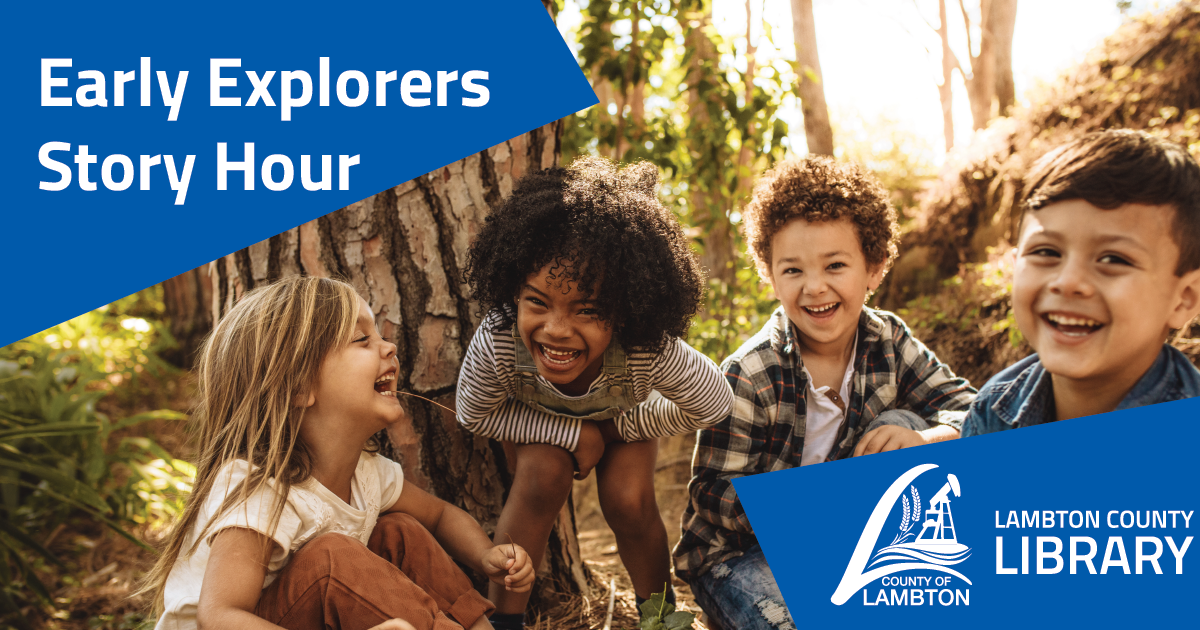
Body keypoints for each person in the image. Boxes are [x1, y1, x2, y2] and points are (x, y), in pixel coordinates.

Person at [673, 155, 976, 630]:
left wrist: (924, 439)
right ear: (770, 277)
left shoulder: (889, 340)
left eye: (835, 264)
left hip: (847, 537)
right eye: (793, 270)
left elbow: (972, 410)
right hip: (738, 555)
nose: (815, 288)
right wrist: (812, 507)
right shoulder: (750, 374)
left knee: (904, 424)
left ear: (873, 269)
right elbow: (711, 490)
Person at [140, 276, 534, 630]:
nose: (389, 347)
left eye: (378, 336)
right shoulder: (259, 490)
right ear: (298, 387)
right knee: (332, 558)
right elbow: (220, 616)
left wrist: (485, 555)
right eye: (362, 340)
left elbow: (440, 514)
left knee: (400, 531)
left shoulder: (367, 474)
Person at [456, 156, 733, 630]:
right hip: (538, 426)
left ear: (625, 310)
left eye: (587, 309)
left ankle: (660, 617)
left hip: (624, 422)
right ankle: (504, 622)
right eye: (537, 302)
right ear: (514, 292)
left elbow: (714, 402)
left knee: (628, 501)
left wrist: (617, 425)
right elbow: (474, 413)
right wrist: (570, 432)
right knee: (542, 473)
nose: (557, 329)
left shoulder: (646, 348)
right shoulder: (500, 339)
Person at [963, 130, 1200, 435]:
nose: (1068, 282)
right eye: (1046, 251)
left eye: (1114, 259)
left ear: (1184, 298)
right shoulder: (993, 409)